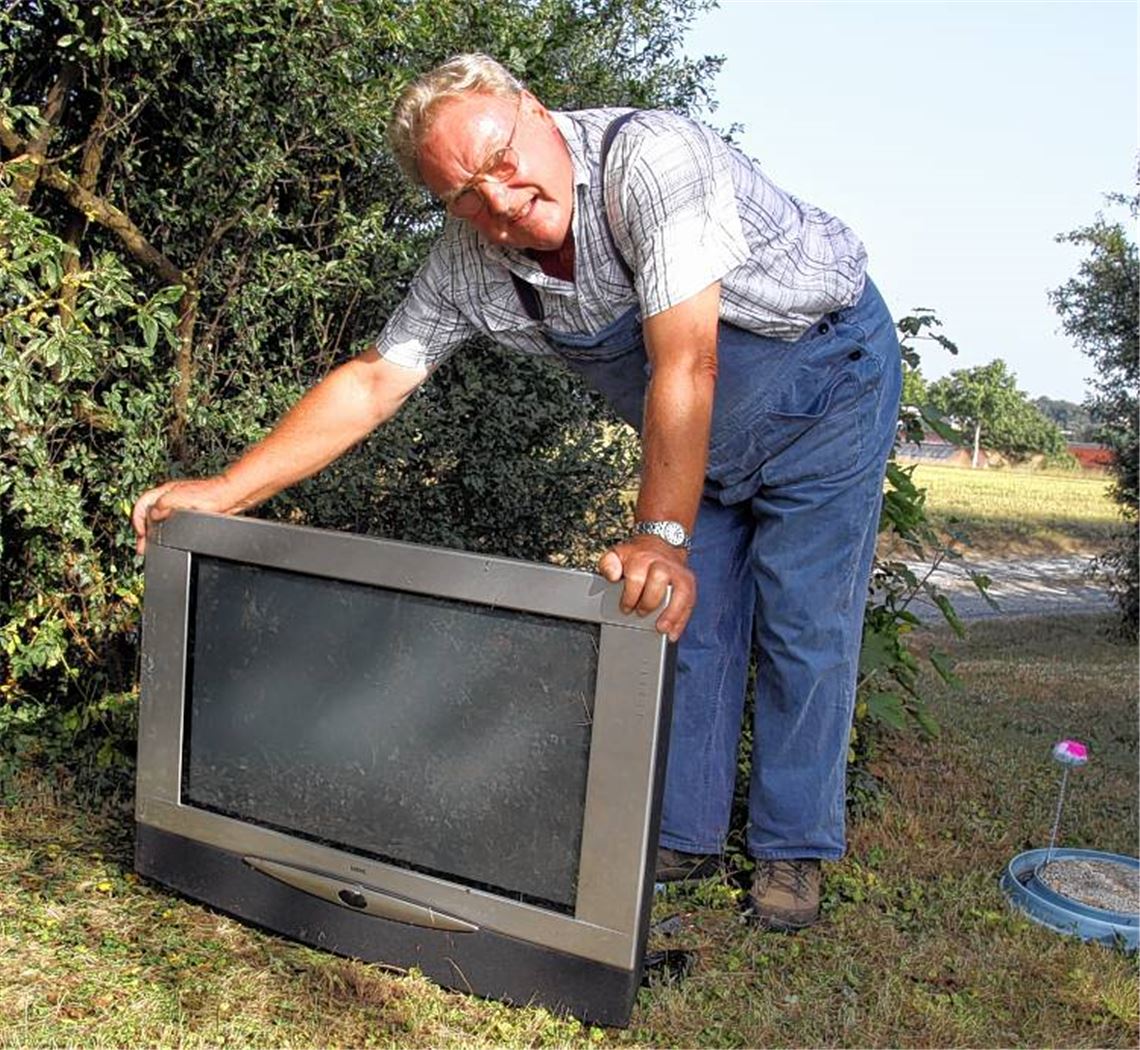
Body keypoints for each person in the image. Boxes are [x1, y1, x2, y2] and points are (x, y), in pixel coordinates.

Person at [131, 53, 902, 931]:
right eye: (462, 194)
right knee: (684, 625)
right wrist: (229, 488)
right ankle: (685, 833)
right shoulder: (468, 262)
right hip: (700, 429)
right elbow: (377, 379)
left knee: (805, 620)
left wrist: (659, 533)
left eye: (500, 160)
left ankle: (791, 850)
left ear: (535, 110)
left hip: (826, 379)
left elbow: (688, 358)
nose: (496, 202)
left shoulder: (651, 161)